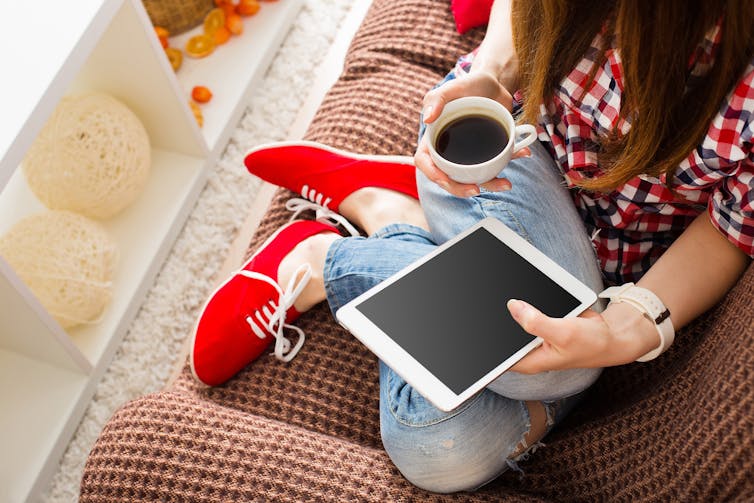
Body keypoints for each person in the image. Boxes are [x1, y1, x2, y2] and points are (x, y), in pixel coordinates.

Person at [189, 0, 753, 493]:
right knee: (559, 374)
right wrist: (490, 74)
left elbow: (730, 229)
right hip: (503, 166)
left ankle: (390, 221)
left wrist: (627, 328)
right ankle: (326, 261)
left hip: (614, 259)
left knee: (436, 444)